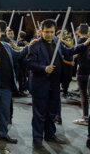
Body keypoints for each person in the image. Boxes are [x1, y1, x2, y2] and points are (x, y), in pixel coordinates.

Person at [28, 19, 90, 150]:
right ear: (41, 31)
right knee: (39, 113)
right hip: (40, 84)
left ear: (55, 31)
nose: (49, 35)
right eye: (46, 32)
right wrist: (44, 68)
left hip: (55, 84)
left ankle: (50, 135)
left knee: (52, 112)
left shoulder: (57, 42)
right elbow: (30, 63)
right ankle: (37, 139)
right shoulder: (35, 45)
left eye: (51, 32)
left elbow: (69, 51)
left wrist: (85, 44)